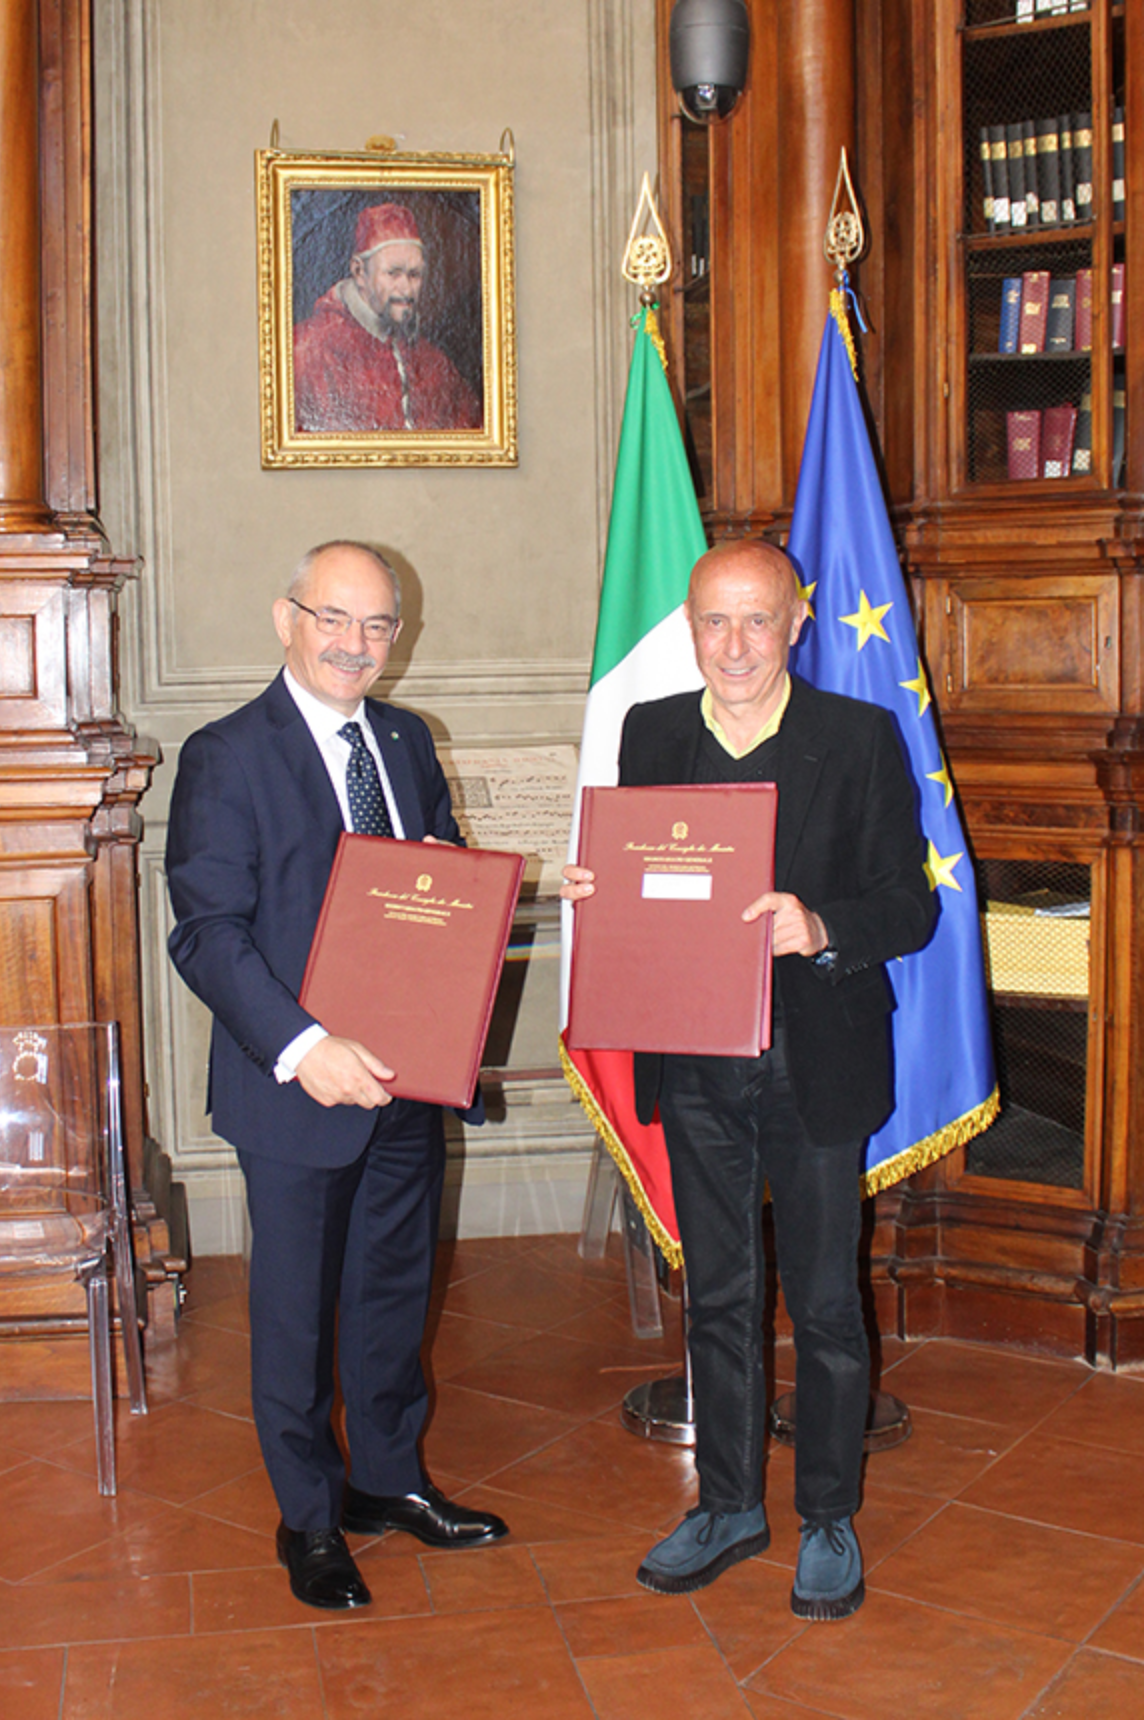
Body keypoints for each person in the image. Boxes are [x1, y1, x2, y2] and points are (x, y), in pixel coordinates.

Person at [562, 539, 938, 1621]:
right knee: (718, 1294)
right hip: (693, 1060)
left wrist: (819, 925)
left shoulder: (857, 736)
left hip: (815, 1059)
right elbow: (648, 882)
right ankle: (728, 1505)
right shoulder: (651, 732)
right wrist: (600, 890)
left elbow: (909, 905)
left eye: (757, 619)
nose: (734, 645)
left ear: (796, 623)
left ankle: (827, 1516)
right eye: (714, 621)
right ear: (689, 627)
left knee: (823, 1301)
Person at [166, 540, 508, 1611]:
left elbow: (441, 885)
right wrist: (305, 1046)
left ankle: (388, 1481)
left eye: (376, 625)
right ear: (287, 619)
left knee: (391, 1299)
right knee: (297, 1317)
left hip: (405, 1078)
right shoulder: (226, 754)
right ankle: (308, 1518)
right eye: (334, 618)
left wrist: (504, 891)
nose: (355, 644)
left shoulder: (405, 740)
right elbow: (207, 934)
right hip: (295, 1086)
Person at [293, 203, 482, 434]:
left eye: (414, 275)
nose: (406, 289)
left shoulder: (432, 361)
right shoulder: (308, 350)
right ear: (359, 272)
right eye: (393, 273)